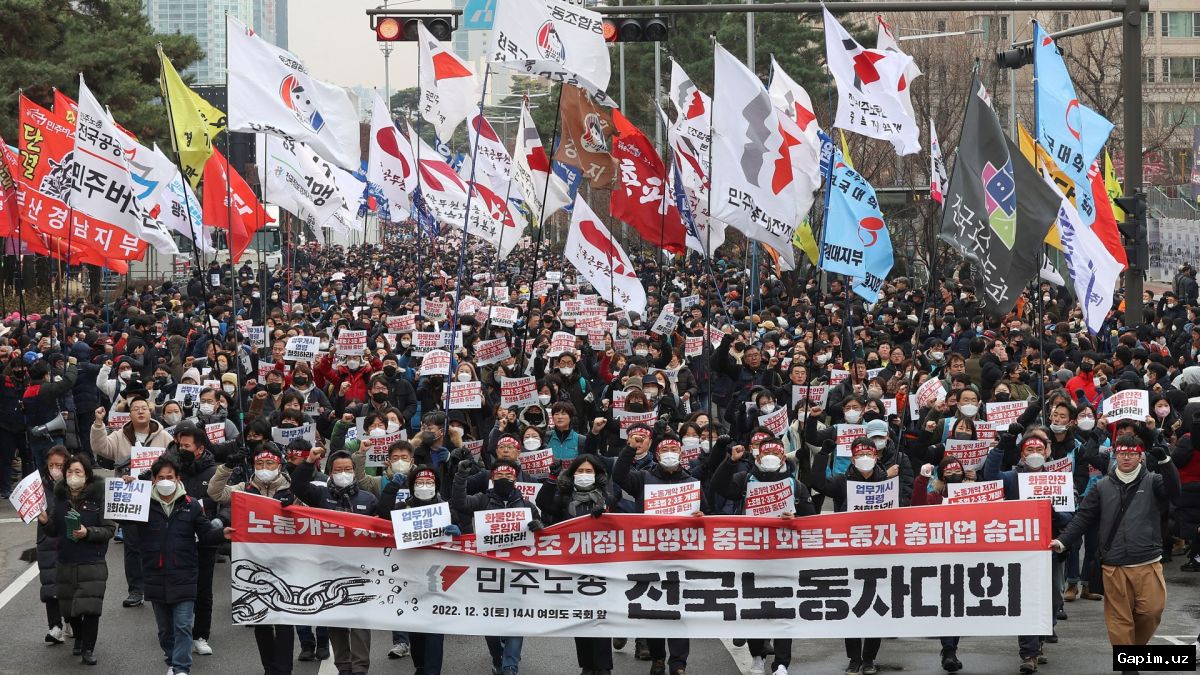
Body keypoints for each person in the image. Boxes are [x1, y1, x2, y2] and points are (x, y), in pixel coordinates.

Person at [1051, 434, 1181, 657]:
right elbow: (1083, 517)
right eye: (1122, 453)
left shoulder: (1153, 480)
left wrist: (1166, 463)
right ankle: (1128, 663)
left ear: (1140, 457)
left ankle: (1133, 653)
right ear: (1115, 455)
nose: (1127, 458)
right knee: (1119, 618)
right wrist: (1062, 541)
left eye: (1132, 454)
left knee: (1152, 612)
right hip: (1114, 566)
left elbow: (1174, 492)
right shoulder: (1102, 486)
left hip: (1148, 562)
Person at [122, 455, 232, 675]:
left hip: (184, 574)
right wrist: (126, 491)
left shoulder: (191, 506)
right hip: (155, 575)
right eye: (161, 477)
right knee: (165, 630)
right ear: (153, 480)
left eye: (169, 477)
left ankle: (181, 668)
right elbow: (120, 518)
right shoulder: (142, 505)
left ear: (178, 478)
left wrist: (222, 534)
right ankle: (172, 660)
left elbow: (206, 534)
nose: (165, 481)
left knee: (182, 625)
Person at [208, 444, 296, 675]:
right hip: (254, 562)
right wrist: (227, 467)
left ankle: (284, 669)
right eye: (259, 464)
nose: (264, 468)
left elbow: (310, 513)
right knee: (260, 617)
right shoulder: (244, 488)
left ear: (279, 464)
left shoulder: (293, 488)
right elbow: (215, 493)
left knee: (286, 617)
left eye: (269, 463)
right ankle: (269, 667)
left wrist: (295, 504)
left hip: (286, 562)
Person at [451, 457, 543, 675]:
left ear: (516, 478)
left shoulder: (527, 506)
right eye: (500, 475)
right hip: (487, 570)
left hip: (517, 571)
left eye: (509, 476)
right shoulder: (483, 500)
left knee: (515, 618)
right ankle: (497, 655)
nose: (504, 479)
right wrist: (460, 476)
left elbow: (542, 535)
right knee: (490, 619)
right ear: (492, 478)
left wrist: (539, 526)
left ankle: (510, 665)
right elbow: (460, 503)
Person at [290, 447, 376, 675]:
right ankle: (343, 666)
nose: (343, 473)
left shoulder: (368, 499)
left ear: (355, 471)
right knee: (336, 620)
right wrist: (309, 461)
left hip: (360, 571)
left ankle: (360, 668)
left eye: (348, 469)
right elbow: (297, 486)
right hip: (327, 569)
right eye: (338, 470)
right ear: (330, 472)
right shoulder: (320, 496)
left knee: (359, 623)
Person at [90, 395, 173, 609]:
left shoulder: (163, 436)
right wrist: (99, 424)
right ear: (130, 414)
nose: (140, 411)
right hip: (130, 499)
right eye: (135, 409)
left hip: (157, 498)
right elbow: (101, 447)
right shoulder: (119, 436)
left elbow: (174, 461)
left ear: (150, 411)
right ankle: (136, 590)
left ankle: (159, 585)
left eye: (144, 408)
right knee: (132, 546)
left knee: (158, 543)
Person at [535, 454, 614, 675]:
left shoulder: (607, 495)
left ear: (597, 475)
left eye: (589, 472)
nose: (584, 475)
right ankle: (587, 665)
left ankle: (603, 666)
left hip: (602, 565)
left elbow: (624, 518)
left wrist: (606, 510)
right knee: (581, 617)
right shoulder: (564, 496)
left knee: (600, 617)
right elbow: (544, 504)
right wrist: (552, 478)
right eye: (580, 471)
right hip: (573, 565)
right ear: (572, 475)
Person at [38, 454, 115, 666]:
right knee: (68, 609)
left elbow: (109, 529)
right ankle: (79, 637)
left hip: (92, 562)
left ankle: (89, 648)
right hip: (65, 561)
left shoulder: (99, 497)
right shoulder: (60, 497)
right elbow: (54, 530)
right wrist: (45, 521)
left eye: (78, 472)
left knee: (90, 608)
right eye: (70, 472)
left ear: (87, 475)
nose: (73, 476)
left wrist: (87, 532)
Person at [36, 445, 70, 646]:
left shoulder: (76, 483)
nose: (55, 468)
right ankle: (55, 626)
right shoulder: (38, 487)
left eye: (60, 464)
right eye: (51, 465)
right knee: (50, 585)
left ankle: (72, 620)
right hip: (46, 541)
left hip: (70, 540)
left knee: (70, 584)